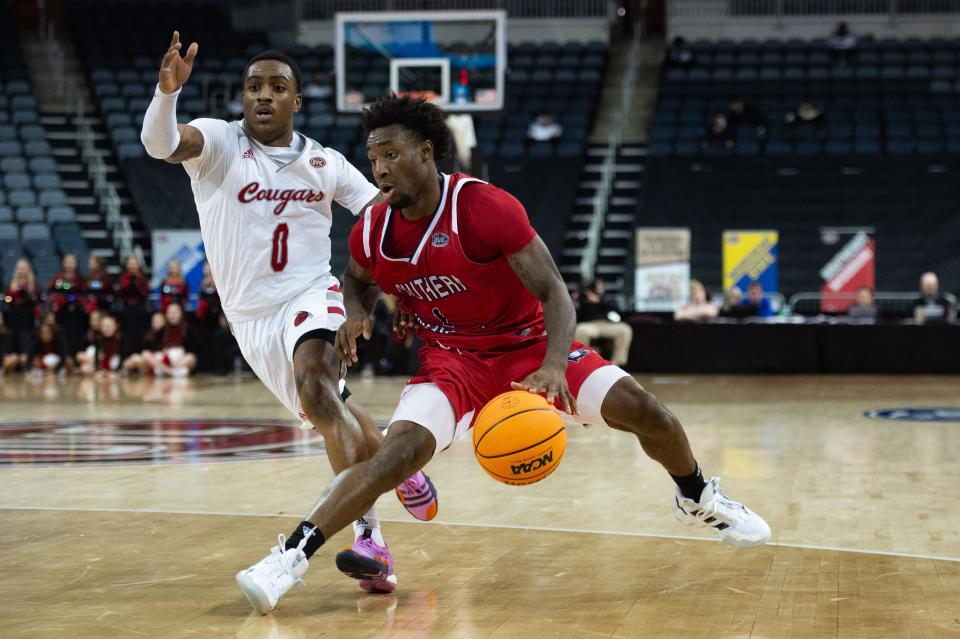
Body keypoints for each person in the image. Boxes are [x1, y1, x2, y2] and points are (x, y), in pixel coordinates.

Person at [233, 95, 770, 614]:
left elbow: (555, 292)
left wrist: (555, 365)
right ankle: (288, 560)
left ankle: (698, 494)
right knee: (391, 460)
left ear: (426, 150)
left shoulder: (482, 206)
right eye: (373, 158)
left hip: (526, 345)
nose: (380, 169)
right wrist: (357, 312)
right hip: (452, 361)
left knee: (647, 412)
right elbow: (356, 280)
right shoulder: (372, 227)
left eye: (391, 155)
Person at [140, 31, 436, 592]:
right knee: (335, 410)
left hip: (311, 295)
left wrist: (402, 279)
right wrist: (166, 93)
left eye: (278, 87)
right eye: (254, 87)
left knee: (321, 390)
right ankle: (403, 466)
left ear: (296, 101)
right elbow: (160, 143)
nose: (264, 96)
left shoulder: (324, 162)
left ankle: (368, 537)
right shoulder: (218, 143)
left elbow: (382, 211)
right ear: (243, 98)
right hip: (249, 319)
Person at [573, 277, 634, 366]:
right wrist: (575, 302)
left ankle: (617, 363)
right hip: (589, 325)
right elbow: (576, 316)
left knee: (625, 329)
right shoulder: (583, 298)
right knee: (580, 330)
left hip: (607, 325)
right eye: (596, 285)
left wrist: (597, 300)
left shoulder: (608, 298)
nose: (598, 288)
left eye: (600, 285)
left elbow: (616, 310)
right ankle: (582, 361)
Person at [47, 252, 88, 355]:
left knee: (76, 336)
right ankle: (65, 359)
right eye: (67, 262)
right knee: (62, 337)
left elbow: (85, 295)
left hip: (77, 314)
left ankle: (74, 358)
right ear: (63, 263)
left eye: (72, 262)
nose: (69, 264)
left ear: (76, 264)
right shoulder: (57, 278)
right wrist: (52, 310)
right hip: (61, 313)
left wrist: (75, 298)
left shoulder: (81, 279)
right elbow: (51, 295)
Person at [4, 258, 40, 370]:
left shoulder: (34, 286)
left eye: (23, 268)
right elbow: (6, 301)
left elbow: (37, 302)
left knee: (26, 355)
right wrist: (11, 296)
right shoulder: (10, 285)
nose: (21, 270)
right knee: (12, 354)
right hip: (13, 325)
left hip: (28, 326)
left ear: (28, 269)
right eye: (19, 268)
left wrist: (28, 295)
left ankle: (27, 368)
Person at [117, 255, 151, 354]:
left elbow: (146, 293)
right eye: (130, 263)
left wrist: (137, 285)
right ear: (127, 265)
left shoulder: (143, 278)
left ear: (138, 265)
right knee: (126, 335)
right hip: (126, 310)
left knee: (139, 334)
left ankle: (138, 355)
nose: (132, 266)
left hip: (139, 310)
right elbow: (120, 292)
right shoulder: (123, 277)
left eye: (134, 263)